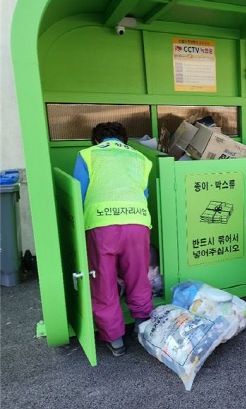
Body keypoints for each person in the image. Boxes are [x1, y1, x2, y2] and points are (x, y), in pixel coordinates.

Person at [73, 122, 154, 356]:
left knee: (103, 282)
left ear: (96, 140)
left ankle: (115, 339)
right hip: (137, 224)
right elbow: (144, 193)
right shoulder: (141, 158)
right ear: (124, 140)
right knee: (138, 277)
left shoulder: (87, 155)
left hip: (101, 226)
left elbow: (78, 193)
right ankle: (142, 325)